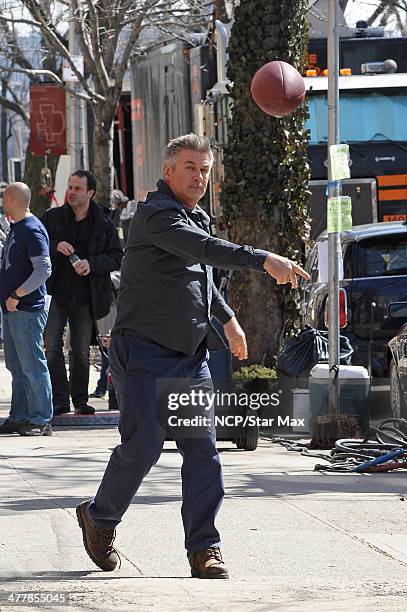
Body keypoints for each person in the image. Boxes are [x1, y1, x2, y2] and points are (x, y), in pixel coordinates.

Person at [76, 134, 310, 578]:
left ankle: (204, 548)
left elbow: (197, 274)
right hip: (142, 351)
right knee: (142, 447)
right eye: (190, 168)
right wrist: (263, 259)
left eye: (205, 169)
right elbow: (203, 251)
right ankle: (99, 518)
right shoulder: (155, 215)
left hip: (189, 356)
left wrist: (227, 319)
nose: (199, 177)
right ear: (168, 172)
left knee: (202, 451)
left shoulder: (194, 214)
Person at [42, 170, 123, 416]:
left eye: (77, 188)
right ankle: (59, 399)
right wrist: (55, 246)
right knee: (51, 346)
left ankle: (79, 400)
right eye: (70, 187)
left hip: (87, 296)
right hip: (56, 292)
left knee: (80, 350)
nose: (72, 193)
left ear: (90, 192)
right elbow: (37, 244)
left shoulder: (103, 223)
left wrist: (92, 264)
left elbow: (116, 257)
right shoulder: (53, 218)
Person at [0, 182, 53, 436]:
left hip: (27, 309)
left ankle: (41, 418)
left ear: (11, 200)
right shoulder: (17, 228)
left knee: (32, 365)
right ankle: (20, 416)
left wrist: (16, 294)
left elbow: (44, 269)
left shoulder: (32, 229)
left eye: (3, 199)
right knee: (17, 366)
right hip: (13, 309)